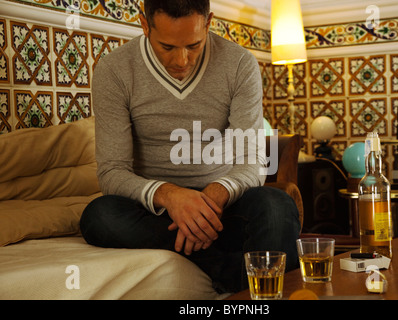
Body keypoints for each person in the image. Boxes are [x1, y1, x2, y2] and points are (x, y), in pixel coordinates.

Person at [80, 0, 301, 293]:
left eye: (194, 45)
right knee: (99, 216)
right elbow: (112, 172)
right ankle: (229, 274)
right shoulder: (114, 69)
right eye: (168, 47)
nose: (181, 61)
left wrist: (212, 199)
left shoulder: (239, 64)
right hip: (157, 212)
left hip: (223, 205)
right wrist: (172, 197)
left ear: (208, 22)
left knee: (277, 207)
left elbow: (253, 163)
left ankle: (211, 256)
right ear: (145, 26)